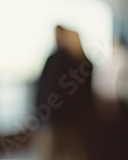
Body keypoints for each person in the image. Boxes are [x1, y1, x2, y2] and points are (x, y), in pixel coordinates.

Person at [35, 25, 94, 160]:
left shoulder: (56, 59)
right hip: (75, 119)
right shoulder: (84, 62)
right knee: (75, 152)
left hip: (56, 118)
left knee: (53, 152)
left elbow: (45, 89)